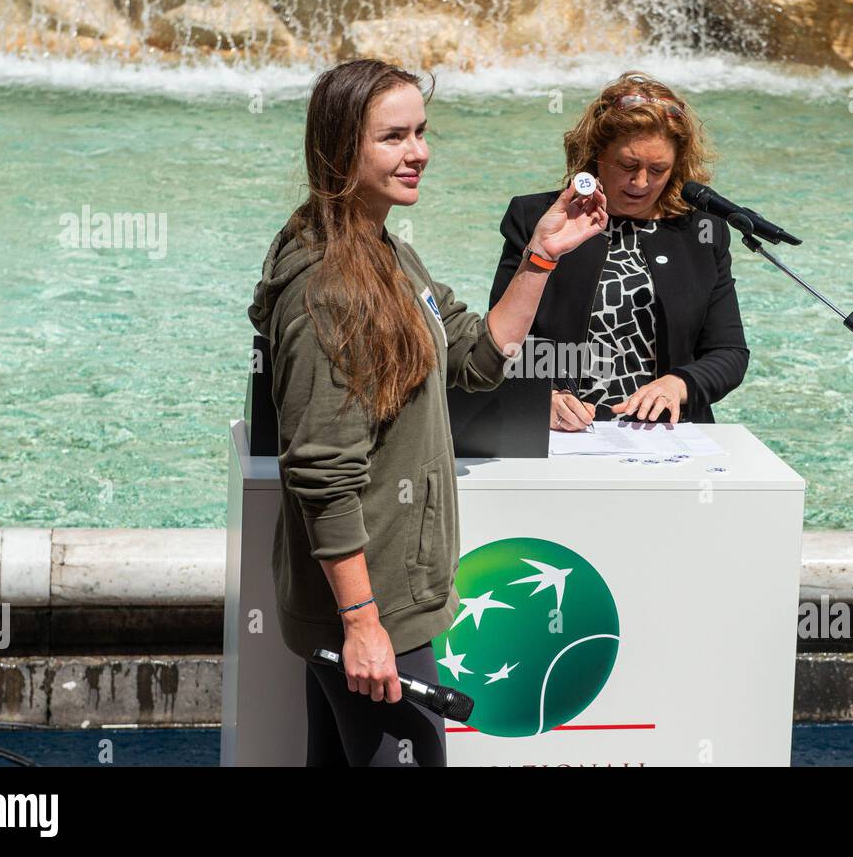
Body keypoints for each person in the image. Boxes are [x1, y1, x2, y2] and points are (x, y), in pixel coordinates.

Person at [247, 58, 608, 766]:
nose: (419, 152)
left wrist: (540, 257)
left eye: (421, 132)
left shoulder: (382, 251)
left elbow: (474, 356)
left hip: (379, 604)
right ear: (339, 151)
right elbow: (322, 473)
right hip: (372, 607)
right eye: (393, 138)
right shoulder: (331, 291)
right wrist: (363, 625)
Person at [490, 72, 749, 431]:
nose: (641, 183)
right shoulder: (536, 219)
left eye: (658, 170)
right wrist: (539, 399)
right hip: (561, 434)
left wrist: (679, 385)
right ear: (596, 155)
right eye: (628, 166)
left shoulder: (703, 232)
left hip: (668, 437)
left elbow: (729, 353)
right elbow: (498, 344)